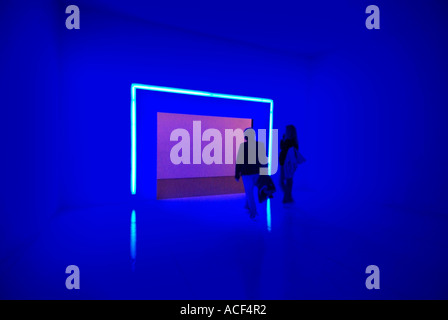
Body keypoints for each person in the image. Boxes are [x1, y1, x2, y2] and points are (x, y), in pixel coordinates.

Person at [235, 128, 267, 219]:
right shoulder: (260, 145)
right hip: (257, 172)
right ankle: (247, 205)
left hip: (247, 173)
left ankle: (253, 212)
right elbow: (263, 161)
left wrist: (237, 174)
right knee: (249, 190)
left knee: (249, 192)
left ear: (245, 136)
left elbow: (239, 162)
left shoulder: (243, 146)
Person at [279, 125, 299, 203]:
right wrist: (283, 140)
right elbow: (282, 148)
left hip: (287, 163)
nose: (285, 131)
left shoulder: (292, 141)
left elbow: (285, 149)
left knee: (287, 181)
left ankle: (286, 198)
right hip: (284, 162)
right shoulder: (290, 140)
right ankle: (288, 197)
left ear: (289, 131)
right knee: (286, 181)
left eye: (287, 130)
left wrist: (284, 140)